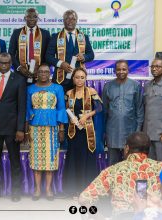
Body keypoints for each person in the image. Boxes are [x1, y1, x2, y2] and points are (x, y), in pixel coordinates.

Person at [78, 132, 162, 219]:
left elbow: (84, 198)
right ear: (148, 149)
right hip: (154, 216)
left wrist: (98, 217)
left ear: (127, 148)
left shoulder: (113, 170)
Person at [0, 53, 26, 202]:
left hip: (13, 128)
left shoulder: (19, 80)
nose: (3, 66)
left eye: (7, 63)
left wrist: (20, 129)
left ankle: (16, 191)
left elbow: (22, 106)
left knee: (15, 161)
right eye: (1, 63)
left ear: (11, 63)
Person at [25, 64, 68, 201]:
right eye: (40, 71)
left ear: (50, 73)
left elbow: (61, 109)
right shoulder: (30, 89)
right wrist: (26, 131)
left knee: (50, 159)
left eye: (46, 71)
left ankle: (48, 189)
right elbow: (27, 110)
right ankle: (37, 189)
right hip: (35, 128)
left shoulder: (57, 88)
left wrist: (61, 129)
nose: (43, 74)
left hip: (52, 128)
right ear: (36, 73)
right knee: (36, 158)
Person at [63, 67, 103, 196]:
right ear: (73, 79)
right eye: (77, 77)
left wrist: (87, 115)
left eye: (82, 77)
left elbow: (100, 107)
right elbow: (65, 110)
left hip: (87, 132)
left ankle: (87, 190)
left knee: (87, 158)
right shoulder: (69, 93)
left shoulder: (91, 91)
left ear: (85, 78)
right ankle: (73, 190)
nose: (79, 80)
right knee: (74, 158)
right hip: (74, 131)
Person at [102, 60, 144, 165]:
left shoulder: (135, 86)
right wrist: (104, 133)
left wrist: (137, 131)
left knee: (130, 163)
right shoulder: (108, 86)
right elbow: (104, 111)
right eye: (118, 69)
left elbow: (139, 110)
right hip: (112, 131)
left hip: (130, 131)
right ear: (114, 71)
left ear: (128, 70)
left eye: (124, 69)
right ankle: (114, 181)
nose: (121, 71)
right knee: (113, 164)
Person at [46, 10, 94, 92]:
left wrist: (84, 57)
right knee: (60, 104)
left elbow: (91, 55)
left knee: (77, 104)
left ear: (76, 21)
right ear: (63, 20)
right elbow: (48, 57)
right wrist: (61, 64)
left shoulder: (83, 37)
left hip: (78, 79)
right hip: (60, 79)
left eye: (73, 19)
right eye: (67, 19)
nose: (70, 21)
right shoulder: (55, 37)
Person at [9, 8, 50, 83]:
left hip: (39, 73)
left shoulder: (45, 34)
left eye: (34, 17)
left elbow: (48, 54)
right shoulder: (16, 33)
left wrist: (41, 69)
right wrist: (19, 68)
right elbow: (11, 53)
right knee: (21, 94)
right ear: (25, 18)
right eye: (29, 16)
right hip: (20, 73)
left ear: (38, 18)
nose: (31, 19)